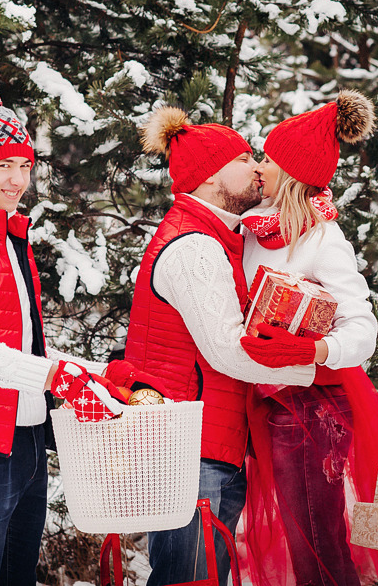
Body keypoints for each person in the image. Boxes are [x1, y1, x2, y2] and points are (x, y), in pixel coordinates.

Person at [0, 85, 142, 586]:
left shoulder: (5, 232)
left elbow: (22, 350)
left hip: (27, 436)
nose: (18, 179)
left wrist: (97, 373)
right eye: (2, 166)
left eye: (24, 164)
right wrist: (60, 377)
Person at [123, 106, 317, 586]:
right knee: (188, 580)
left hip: (208, 446)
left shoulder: (215, 237)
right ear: (210, 177)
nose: (258, 168)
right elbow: (227, 350)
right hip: (191, 453)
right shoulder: (194, 246)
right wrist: (316, 370)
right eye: (245, 158)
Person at [235, 90, 378, 586]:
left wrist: (314, 349)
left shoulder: (323, 238)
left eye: (268, 157)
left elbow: (363, 328)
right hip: (269, 401)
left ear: (291, 172)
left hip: (316, 407)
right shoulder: (250, 234)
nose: (259, 166)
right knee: (298, 536)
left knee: (317, 540)